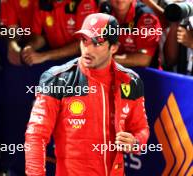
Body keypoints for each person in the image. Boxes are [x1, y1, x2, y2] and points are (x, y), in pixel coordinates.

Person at [25, 13, 149, 176]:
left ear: (114, 48)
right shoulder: (57, 79)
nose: (87, 49)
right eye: (84, 40)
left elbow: (141, 129)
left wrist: (136, 142)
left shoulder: (131, 81)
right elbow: (36, 135)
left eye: (97, 43)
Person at [21, 0, 98, 66]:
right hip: (55, 59)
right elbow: (40, 37)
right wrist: (30, 47)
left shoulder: (85, 2)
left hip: (83, 60)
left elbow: (83, 44)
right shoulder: (41, 3)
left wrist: (44, 56)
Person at [100, 0, 162, 68]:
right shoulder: (103, 10)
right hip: (112, 70)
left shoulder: (147, 17)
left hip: (146, 75)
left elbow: (144, 59)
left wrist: (105, 60)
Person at [164, 0, 193, 75]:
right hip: (181, 79)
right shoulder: (187, 6)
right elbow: (170, 60)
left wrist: (192, 44)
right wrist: (175, 21)